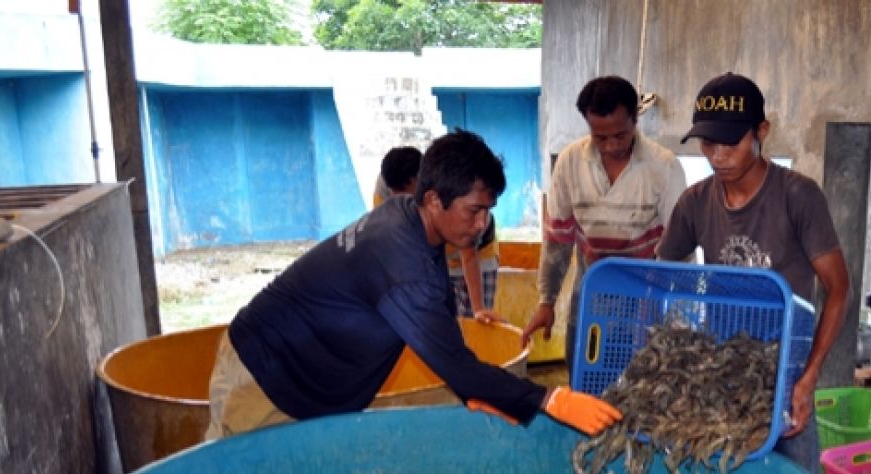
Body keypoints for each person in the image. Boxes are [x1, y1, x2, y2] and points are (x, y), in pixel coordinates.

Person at [206, 129, 622, 440]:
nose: (483, 225)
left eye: (489, 211)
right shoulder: (402, 261)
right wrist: (548, 399)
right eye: (474, 211)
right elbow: (454, 363)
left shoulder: (410, 217)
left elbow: (444, 328)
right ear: (434, 199)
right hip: (263, 380)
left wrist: (485, 390)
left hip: (292, 375)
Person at [655, 73, 851, 473]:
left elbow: (838, 289)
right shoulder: (694, 202)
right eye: (709, 144)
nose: (718, 155)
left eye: (732, 142)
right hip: (722, 364)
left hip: (787, 365)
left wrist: (809, 377)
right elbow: (660, 276)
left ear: (761, 131)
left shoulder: (798, 195)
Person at [520, 75, 687, 367]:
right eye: (600, 137)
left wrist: (679, 312)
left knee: (644, 385)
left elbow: (679, 249)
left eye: (620, 136)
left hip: (647, 298)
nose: (610, 146)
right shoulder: (571, 162)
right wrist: (546, 302)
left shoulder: (665, 166)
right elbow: (558, 241)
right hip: (591, 293)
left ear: (636, 120)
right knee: (585, 376)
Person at [374, 144, 499, 322]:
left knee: (476, 323)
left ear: (422, 182)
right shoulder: (384, 188)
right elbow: (388, 240)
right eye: (396, 194)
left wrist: (478, 308)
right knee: (445, 321)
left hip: (478, 258)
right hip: (440, 260)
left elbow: (469, 255)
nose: (402, 201)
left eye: (407, 193)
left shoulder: (451, 192)